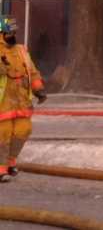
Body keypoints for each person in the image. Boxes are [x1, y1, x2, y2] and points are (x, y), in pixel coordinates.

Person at [0, 18, 46, 182]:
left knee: (23, 130)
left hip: (21, 100)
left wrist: (38, 89)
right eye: (9, 33)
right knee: (3, 134)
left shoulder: (21, 50)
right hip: (3, 103)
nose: (12, 35)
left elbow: (32, 71)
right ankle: (1, 168)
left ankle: (10, 162)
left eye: (13, 32)